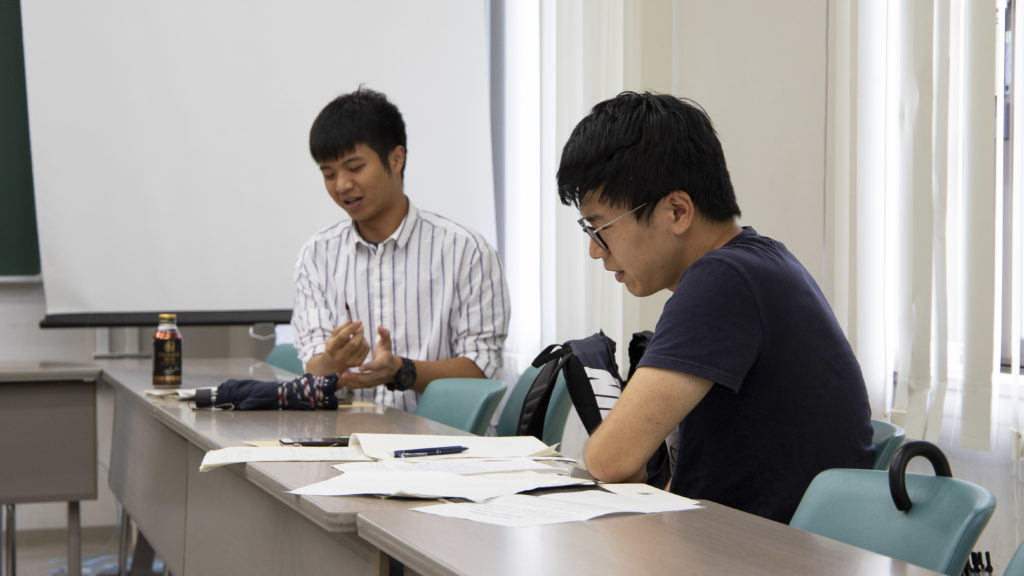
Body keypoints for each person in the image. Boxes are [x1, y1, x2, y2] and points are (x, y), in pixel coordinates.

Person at [556, 91, 874, 523]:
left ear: (677, 211)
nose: (597, 253)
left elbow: (611, 460)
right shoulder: (756, 263)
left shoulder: (723, 279)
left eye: (601, 228)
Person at [292, 87, 510, 411]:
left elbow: (481, 369)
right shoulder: (317, 256)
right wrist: (332, 361)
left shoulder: (466, 251)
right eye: (329, 173)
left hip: (444, 447)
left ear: (396, 159)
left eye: (354, 168)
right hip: (344, 446)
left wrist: (400, 371)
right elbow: (314, 368)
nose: (341, 185)